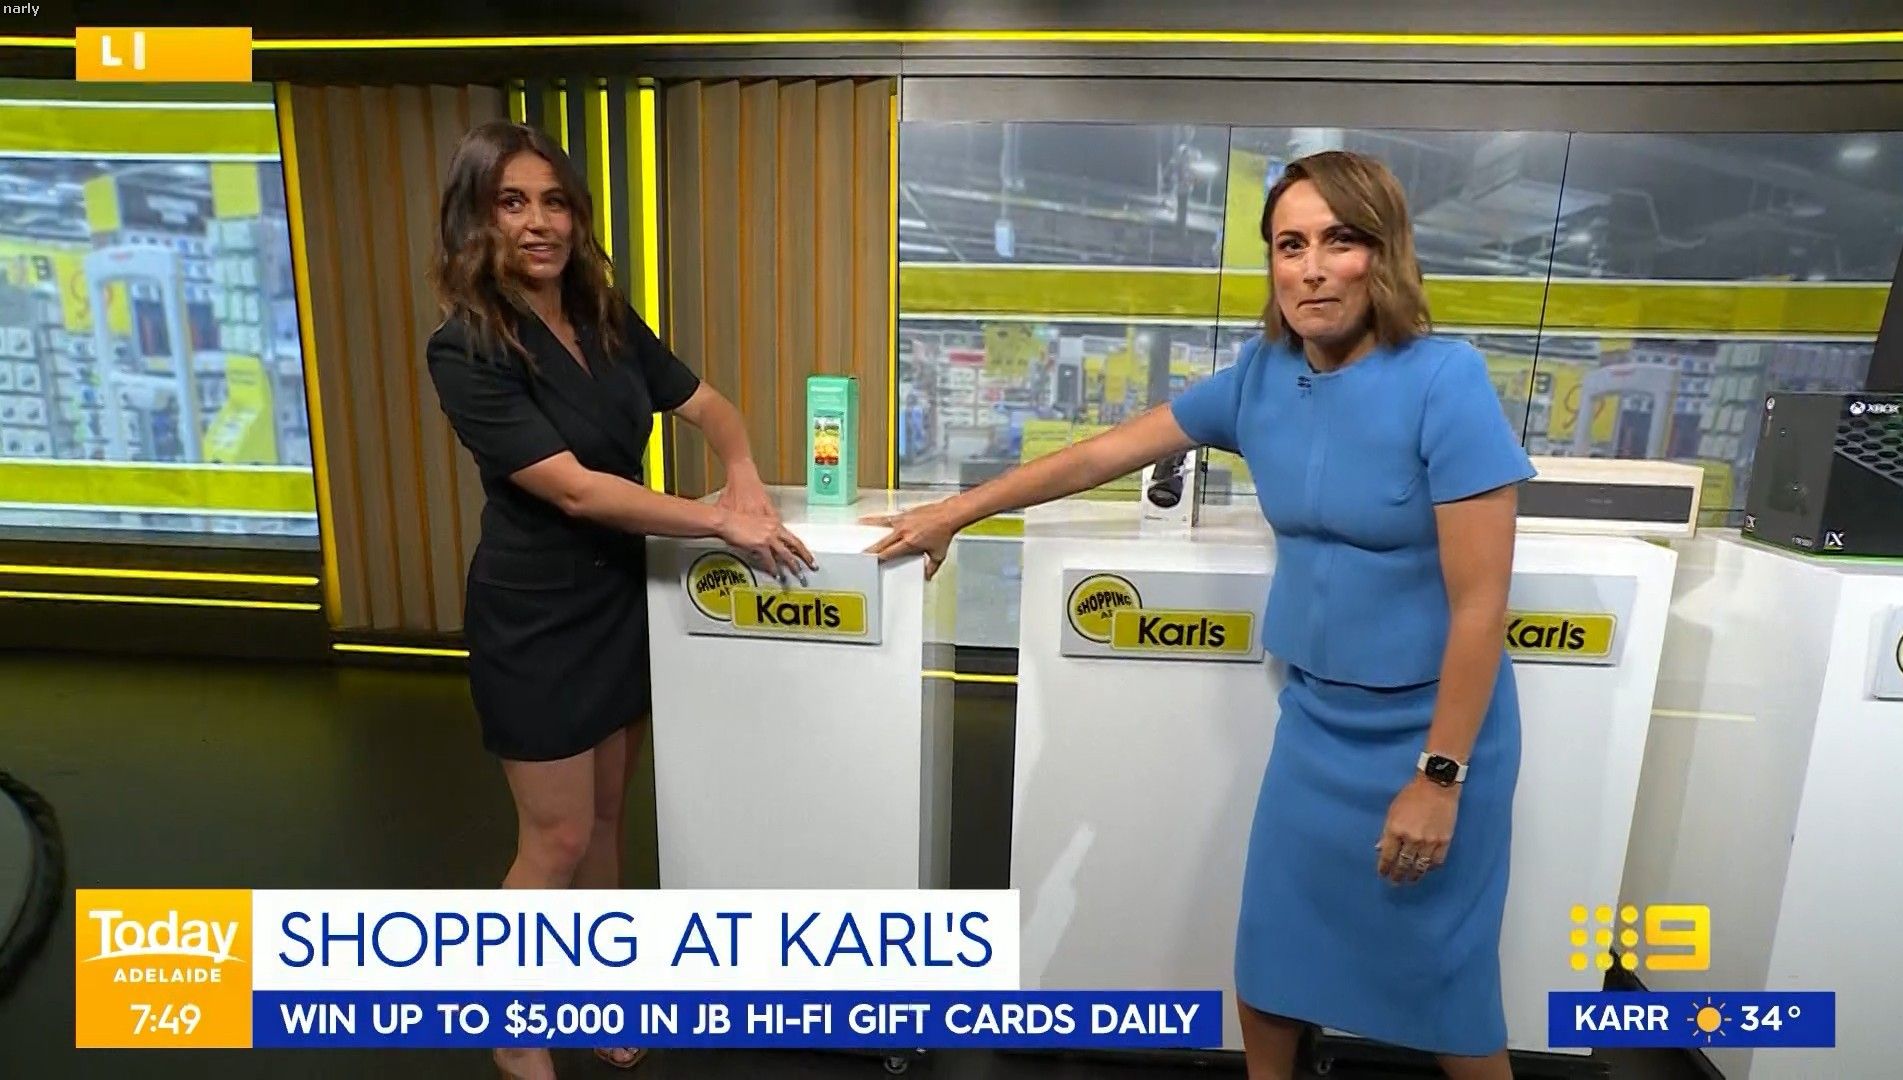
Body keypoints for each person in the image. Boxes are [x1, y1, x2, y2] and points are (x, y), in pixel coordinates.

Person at [865, 150, 1535, 1080]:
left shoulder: (1445, 381)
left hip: (1434, 732)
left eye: (1338, 241)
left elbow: (1480, 606)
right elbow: (1097, 456)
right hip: (1318, 726)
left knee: (1448, 1001)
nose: (1311, 268)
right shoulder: (1260, 378)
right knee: (1270, 974)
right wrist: (957, 512)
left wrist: (1440, 778)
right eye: (1290, 245)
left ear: (1383, 255)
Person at [425, 120, 815, 1079]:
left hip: (617, 602)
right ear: (477, 219)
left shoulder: (601, 315)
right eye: (513, 202)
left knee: (605, 818)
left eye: (555, 202)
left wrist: (743, 472)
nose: (539, 223)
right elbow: (573, 489)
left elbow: (709, 407)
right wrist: (718, 522)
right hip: (536, 616)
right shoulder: (465, 347)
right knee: (555, 836)